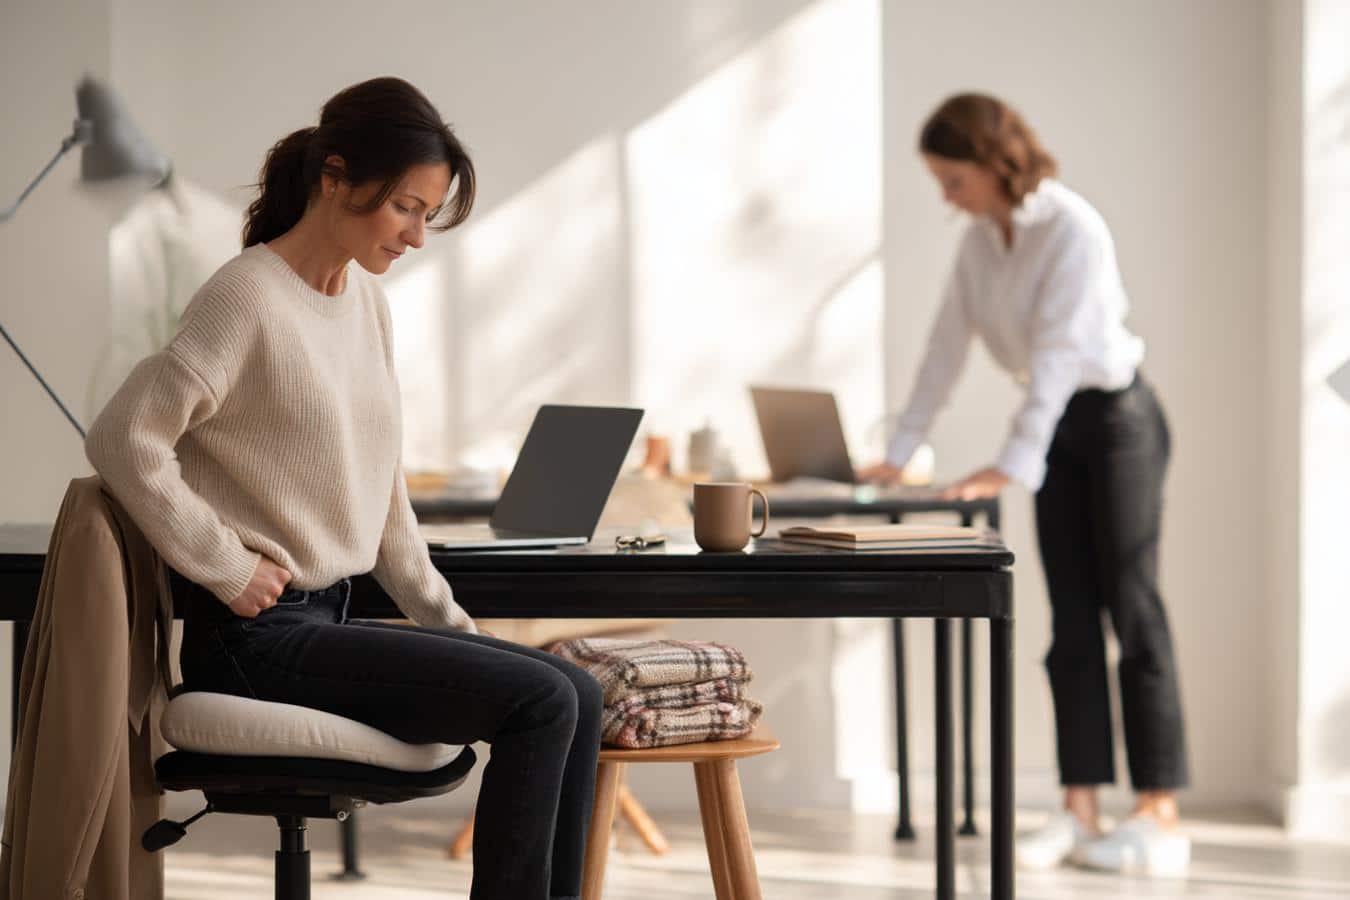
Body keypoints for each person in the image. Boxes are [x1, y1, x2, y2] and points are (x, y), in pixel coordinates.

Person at [86, 76, 603, 900]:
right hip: (256, 644)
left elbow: (383, 496)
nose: (418, 235)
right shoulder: (245, 297)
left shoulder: (364, 302)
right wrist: (222, 561)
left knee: (575, 688)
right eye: (406, 207)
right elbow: (124, 438)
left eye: (427, 214)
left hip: (330, 624)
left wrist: (456, 631)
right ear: (334, 179)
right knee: (542, 700)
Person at [860, 93, 1190, 876]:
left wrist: (1011, 463)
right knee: (1069, 621)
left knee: (1132, 609)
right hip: (1059, 433)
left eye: (953, 179)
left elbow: (1056, 362)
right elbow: (945, 348)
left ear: (991, 161)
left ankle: (1159, 816)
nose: (946, 197)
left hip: (1118, 422)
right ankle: (1080, 809)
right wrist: (902, 451)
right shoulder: (980, 242)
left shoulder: (1071, 229)